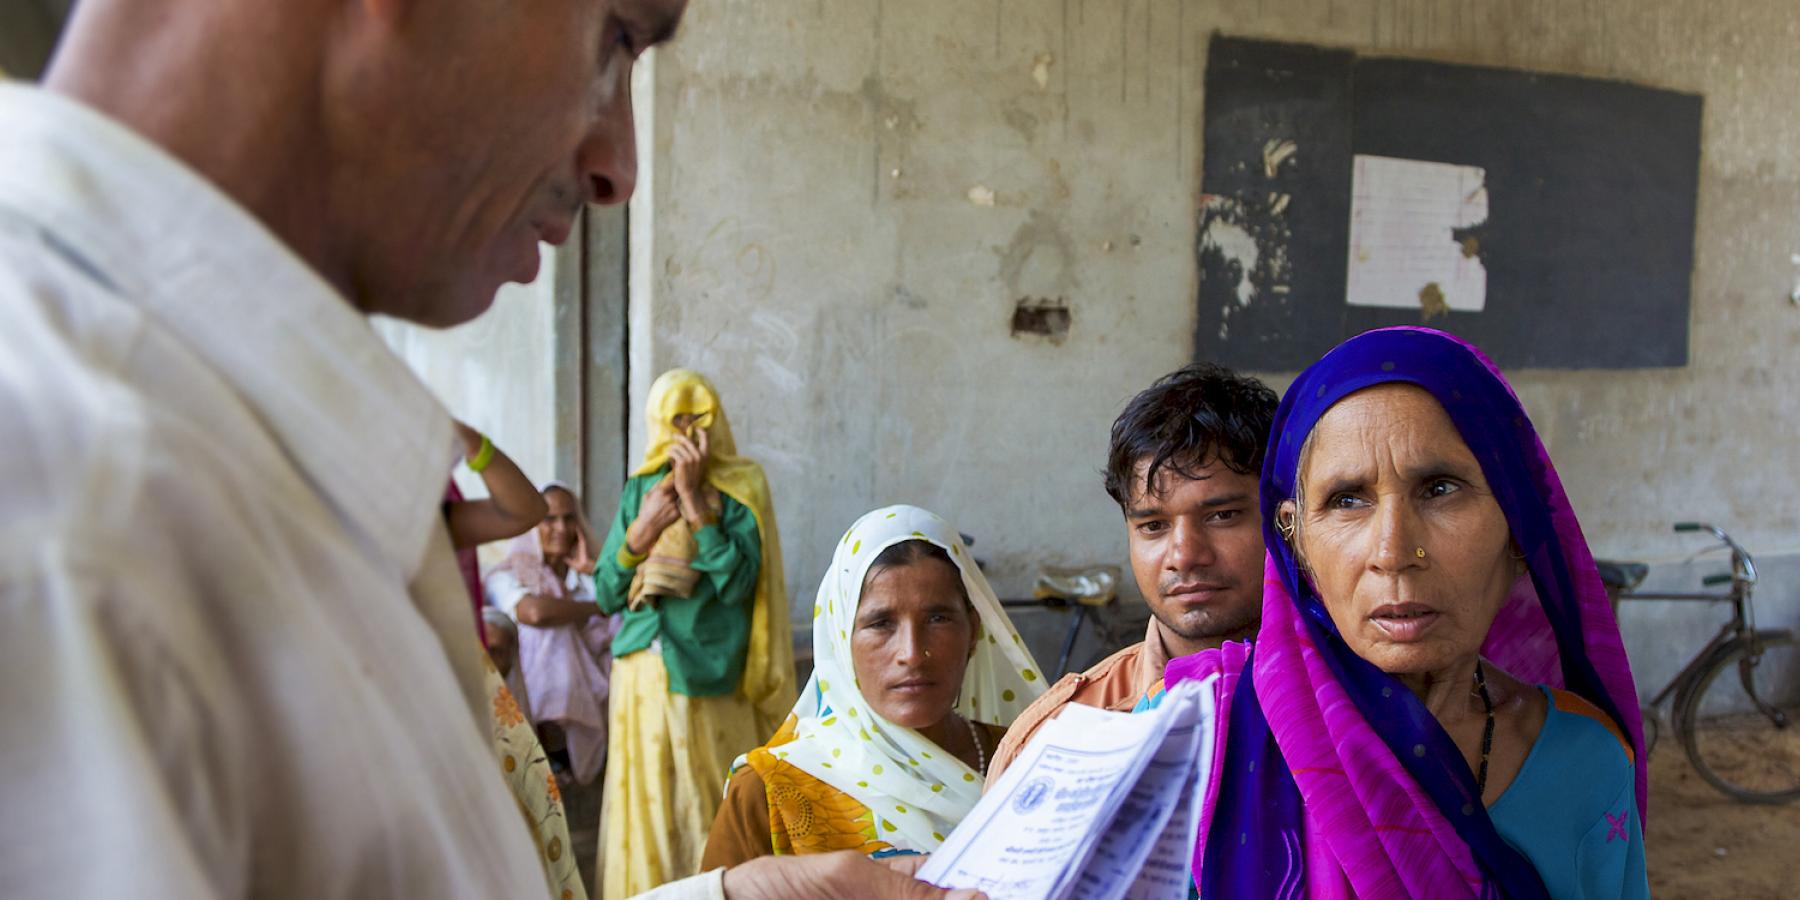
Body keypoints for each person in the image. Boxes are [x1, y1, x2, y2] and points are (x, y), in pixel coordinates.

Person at [1, 0, 970, 895]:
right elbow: (619, 570)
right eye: (616, 37)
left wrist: (733, 893)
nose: (617, 167)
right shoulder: (65, 515)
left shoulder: (236, 444)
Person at [1146, 327, 1647, 898]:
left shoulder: (1585, 761)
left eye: (1439, 488)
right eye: (1348, 500)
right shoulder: (1189, 736)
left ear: (1518, 530)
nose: (1392, 552)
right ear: (1295, 542)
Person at [703, 505, 1044, 866]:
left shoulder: (1029, 765)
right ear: (840, 639)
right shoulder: (768, 792)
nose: (912, 654)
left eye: (938, 618)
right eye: (881, 623)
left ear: (973, 630)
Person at [987, 365, 1277, 782]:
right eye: (1153, 525)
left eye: (1222, 516)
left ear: (1286, 518)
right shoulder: (1059, 739)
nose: (1184, 556)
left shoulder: (1360, 702)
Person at [592, 370, 795, 898]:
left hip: (709, 675)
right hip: (639, 675)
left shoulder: (741, 487)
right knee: (646, 807)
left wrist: (696, 507)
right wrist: (637, 537)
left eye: (695, 416)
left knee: (710, 805)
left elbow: (740, 588)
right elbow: (607, 594)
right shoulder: (640, 488)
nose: (684, 429)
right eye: (673, 418)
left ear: (714, 421)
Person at [487, 483, 621, 787]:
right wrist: (598, 607)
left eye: (569, 518)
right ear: (533, 526)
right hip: (532, 689)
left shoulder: (587, 579)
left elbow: (627, 610)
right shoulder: (506, 576)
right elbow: (534, 613)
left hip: (596, 682)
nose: (561, 528)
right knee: (550, 633)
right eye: (550, 519)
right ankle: (553, 750)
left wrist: (595, 570)